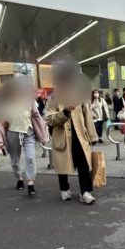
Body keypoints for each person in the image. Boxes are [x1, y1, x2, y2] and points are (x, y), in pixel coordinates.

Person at [45, 66, 99, 205]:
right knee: (63, 166)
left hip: (80, 137)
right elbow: (49, 119)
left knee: (84, 165)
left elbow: (87, 117)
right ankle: (64, 189)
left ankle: (85, 192)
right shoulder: (53, 99)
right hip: (62, 138)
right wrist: (65, 112)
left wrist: (93, 136)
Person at [0, 79, 49, 196]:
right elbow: (0, 125)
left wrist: (43, 130)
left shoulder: (29, 101)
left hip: (29, 133)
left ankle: (31, 183)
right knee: (15, 161)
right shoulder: (4, 106)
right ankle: (19, 178)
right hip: (12, 134)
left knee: (31, 158)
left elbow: (37, 117)